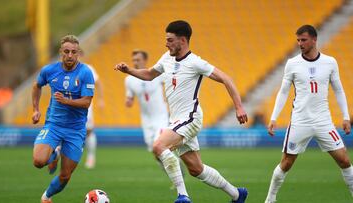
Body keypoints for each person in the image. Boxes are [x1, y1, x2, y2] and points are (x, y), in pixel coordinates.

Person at [116, 20, 248, 203]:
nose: (166, 43)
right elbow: (149, 74)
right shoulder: (166, 58)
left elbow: (226, 78)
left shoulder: (196, 63)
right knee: (196, 169)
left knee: (158, 146)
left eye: (170, 40)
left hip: (190, 118)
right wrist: (128, 70)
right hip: (177, 120)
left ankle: (183, 196)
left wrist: (239, 106)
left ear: (183, 40)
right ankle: (237, 194)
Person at [265, 25, 352, 203]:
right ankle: (270, 199)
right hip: (300, 121)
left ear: (314, 40)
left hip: (323, 121)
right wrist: (274, 117)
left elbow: (339, 90)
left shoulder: (330, 62)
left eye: (303, 40)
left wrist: (345, 116)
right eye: (298, 40)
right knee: (286, 163)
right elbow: (283, 92)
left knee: (344, 159)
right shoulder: (292, 63)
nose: (300, 43)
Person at [32, 35, 95, 203]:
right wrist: (36, 109)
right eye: (66, 51)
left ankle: (46, 197)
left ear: (78, 53)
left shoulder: (85, 73)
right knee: (38, 161)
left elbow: (86, 102)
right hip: (54, 125)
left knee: (65, 175)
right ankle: (55, 153)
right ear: (61, 52)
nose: (70, 55)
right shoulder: (49, 71)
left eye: (73, 52)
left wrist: (66, 101)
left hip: (75, 130)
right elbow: (37, 86)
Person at [125, 49, 169, 152]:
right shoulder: (129, 80)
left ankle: (175, 166)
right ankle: (170, 165)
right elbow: (129, 97)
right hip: (146, 119)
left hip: (160, 116)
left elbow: (167, 85)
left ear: (145, 60)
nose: (135, 62)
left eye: (138, 60)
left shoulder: (156, 74)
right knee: (153, 148)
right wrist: (129, 101)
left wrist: (167, 101)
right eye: (134, 60)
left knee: (159, 144)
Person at [85, 64, 104, 169]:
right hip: (68, 105)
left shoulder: (88, 68)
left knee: (88, 130)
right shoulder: (62, 69)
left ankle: (91, 156)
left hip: (85, 105)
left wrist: (101, 99)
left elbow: (98, 82)